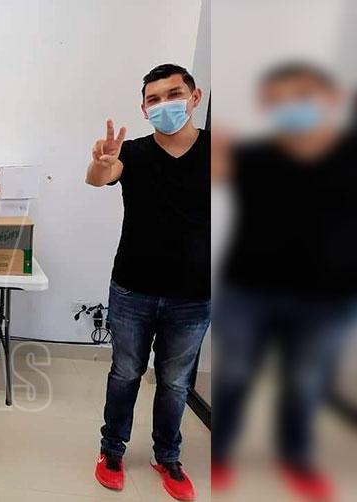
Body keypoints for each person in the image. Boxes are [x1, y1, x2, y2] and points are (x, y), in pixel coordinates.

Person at [211, 62, 357, 501]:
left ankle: (296, 458)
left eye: (302, 96)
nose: (291, 107)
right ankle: (219, 453)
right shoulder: (252, 156)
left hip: (328, 297)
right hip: (249, 291)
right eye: (279, 100)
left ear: (332, 99)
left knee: (306, 383)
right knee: (234, 375)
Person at [86, 64, 209, 501]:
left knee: (175, 382)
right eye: (153, 100)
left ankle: (168, 456)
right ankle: (112, 450)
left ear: (194, 97)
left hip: (194, 295)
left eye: (173, 94)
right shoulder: (134, 153)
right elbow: (99, 177)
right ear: (143, 109)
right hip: (132, 289)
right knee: (125, 372)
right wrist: (100, 163)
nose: (164, 105)